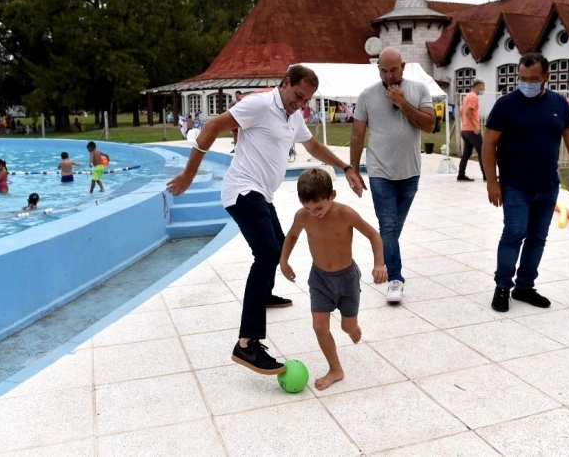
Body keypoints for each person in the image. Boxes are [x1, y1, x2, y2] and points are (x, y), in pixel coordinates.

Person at [167, 64, 366, 376]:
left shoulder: (293, 115)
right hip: (242, 190)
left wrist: (346, 167)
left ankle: (265, 294)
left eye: (306, 100)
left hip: (262, 194)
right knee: (268, 253)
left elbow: (311, 145)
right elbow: (210, 127)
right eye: (298, 95)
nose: (300, 103)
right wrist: (189, 175)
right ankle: (246, 344)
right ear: (285, 83)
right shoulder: (258, 105)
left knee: (277, 241)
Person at [483, 52, 569, 312]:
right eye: (522, 78)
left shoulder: (559, 104)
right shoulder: (506, 105)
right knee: (514, 234)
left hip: (547, 186)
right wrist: (491, 181)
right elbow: (488, 144)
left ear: (546, 77)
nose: (527, 83)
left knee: (537, 238)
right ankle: (502, 287)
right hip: (514, 185)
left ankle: (524, 287)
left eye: (533, 79)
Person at [278, 168, 387, 390]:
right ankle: (335, 369)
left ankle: (352, 326)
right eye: (308, 208)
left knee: (347, 327)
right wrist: (284, 260)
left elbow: (373, 235)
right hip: (319, 279)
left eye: (319, 207)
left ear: (332, 196)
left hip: (347, 279)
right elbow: (291, 236)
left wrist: (378, 264)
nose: (314, 213)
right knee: (319, 326)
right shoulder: (302, 216)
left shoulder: (345, 213)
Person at [350, 47, 436, 303]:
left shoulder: (419, 91)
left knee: (392, 229)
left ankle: (383, 255)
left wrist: (402, 102)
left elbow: (430, 125)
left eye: (393, 70)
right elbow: (357, 135)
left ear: (403, 66)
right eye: (383, 71)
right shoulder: (367, 96)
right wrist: (353, 170)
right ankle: (395, 279)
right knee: (388, 225)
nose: (388, 76)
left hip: (410, 172)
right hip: (379, 172)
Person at [458, 78, 487, 182]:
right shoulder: (474, 97)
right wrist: (474, 127)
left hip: (465, 129)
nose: (484, 89)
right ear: (479, 86)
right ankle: (486, 175)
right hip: (471, 130)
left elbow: (461, 111)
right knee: (482, 151)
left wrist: (465, 123)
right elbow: (467, 112)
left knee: (467, 153)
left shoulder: (467, 96)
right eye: (483, 87)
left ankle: (461, 174)